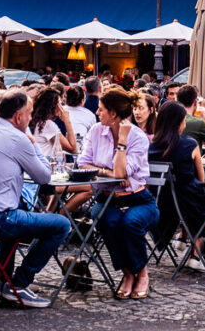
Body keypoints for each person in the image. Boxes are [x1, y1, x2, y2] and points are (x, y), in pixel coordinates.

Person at [0, 89, 70, 307]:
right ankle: (19, 283)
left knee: (18, 207)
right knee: (61, 224)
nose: (31, 119)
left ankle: (2, 281)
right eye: (29, 114)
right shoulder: (18, 138)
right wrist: (31, 142)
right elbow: (43, 176)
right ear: (19, 117)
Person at [76, 88, 159, 299]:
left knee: (130, 223)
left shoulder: (138, 137)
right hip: (107, 199)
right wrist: (107, 172)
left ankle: (142, 274)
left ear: (113, 114)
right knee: (107, 221)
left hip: (139, 200)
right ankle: (128, 273)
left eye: (101, 109)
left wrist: (121, 142)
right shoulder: (96, 130)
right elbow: (83, 163)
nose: (96, 112)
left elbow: (122, 172)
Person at [148, 101, 205, 270]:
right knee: (204, 205)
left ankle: (184, 240)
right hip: (187, 200)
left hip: (162, 203)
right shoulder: (190, 144)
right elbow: (201, 179)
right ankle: (195, 253)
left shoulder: (151, 146)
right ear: (179, 122)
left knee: (190, 203)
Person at [28, 86, 76, 157]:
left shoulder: (34, 120)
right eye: (59, 103)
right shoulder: (47, 125)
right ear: (53, 105)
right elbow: (72, 149)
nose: (61, 107)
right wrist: (67, 121)